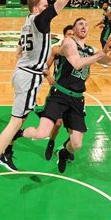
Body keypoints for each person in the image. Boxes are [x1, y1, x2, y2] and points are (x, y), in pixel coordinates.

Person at [0, 0, 93, 183]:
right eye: (44, 5)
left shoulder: (27, 23)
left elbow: (19, 49)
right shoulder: (40, 20)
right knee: (15, 121)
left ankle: (6, 153)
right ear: (36, 9)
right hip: (28, 76)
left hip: (23, 72)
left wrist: (30, 60)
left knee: (20, 120)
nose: (47, 6)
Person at [13, 17, 111, 174]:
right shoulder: (68, 43)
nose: (84, 26)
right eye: (80, 24)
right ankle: (19, 133)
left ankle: (64, 152)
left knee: (76, 145)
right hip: (60, 94)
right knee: (41, 133)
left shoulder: (91, 50)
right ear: (74, 29)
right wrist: (101, 54)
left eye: (86, 24)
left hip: (77, 98)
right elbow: (77, 63)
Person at [41, 24, 74, 160]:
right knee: (58, 122)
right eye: (69, 35)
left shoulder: (80, 51)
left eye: (73, 35)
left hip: (73, 93)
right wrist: (48, 77)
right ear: (64, 36)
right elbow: (44, 67)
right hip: (59, 89)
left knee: (72, 127)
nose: (71, 37)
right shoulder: (57, 50)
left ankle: (67, 149)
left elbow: (87, 71)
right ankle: (51, 142)